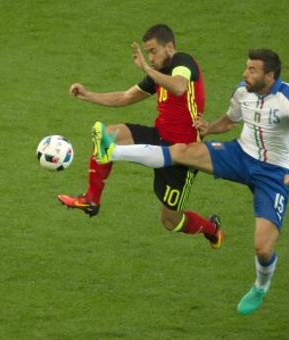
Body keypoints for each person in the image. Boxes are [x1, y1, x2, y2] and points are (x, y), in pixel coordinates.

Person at [92, 49, 289, 315]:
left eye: (252, 70)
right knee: (182, 151)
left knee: (262, 247)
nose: (245, 73)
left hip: (275, 173)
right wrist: (209, 128)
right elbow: (230, 120)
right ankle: (112, 151)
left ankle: (260, 285)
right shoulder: (242, 91)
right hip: (241, 155)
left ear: (270, 75)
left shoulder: (288, 98)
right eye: (246, 67)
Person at [58, 24, 224, 249]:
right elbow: (125, 97)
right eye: (148, 53)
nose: (151, 57)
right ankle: (91, 199)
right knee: (107, 135)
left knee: (170, 221)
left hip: (184, 154)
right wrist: (88, 95)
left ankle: (212, 230)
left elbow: (179, 87)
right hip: (159, 137)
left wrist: (147, 69)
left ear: (170, 47)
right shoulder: (157, 73)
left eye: (153, 51)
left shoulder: (182, 61)